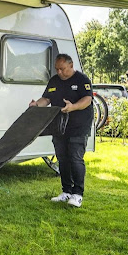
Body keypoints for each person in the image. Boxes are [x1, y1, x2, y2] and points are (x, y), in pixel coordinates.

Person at [29, 53, 93, 208]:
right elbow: (47, 99)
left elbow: (87, 100)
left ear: (71, 66)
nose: (59, 72)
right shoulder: (54, 81)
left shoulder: (82, 80)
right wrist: (37, 104)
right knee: (62, 158)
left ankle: (77, 194)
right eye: (57, 69)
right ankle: (66, 192)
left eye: (62, 69)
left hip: (78, 126)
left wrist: (73, 107)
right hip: (59, 126)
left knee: (75, 158)